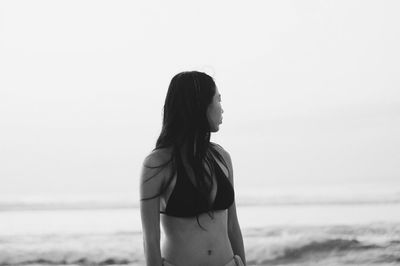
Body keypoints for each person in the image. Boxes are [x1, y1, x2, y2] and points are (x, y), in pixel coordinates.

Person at [140, 71, 246, 266]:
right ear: (199, 105)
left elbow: (232, 226)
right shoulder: (157, 164)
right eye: (218, 101)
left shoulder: (222, 158)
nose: (222, 110)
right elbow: (151, 240)